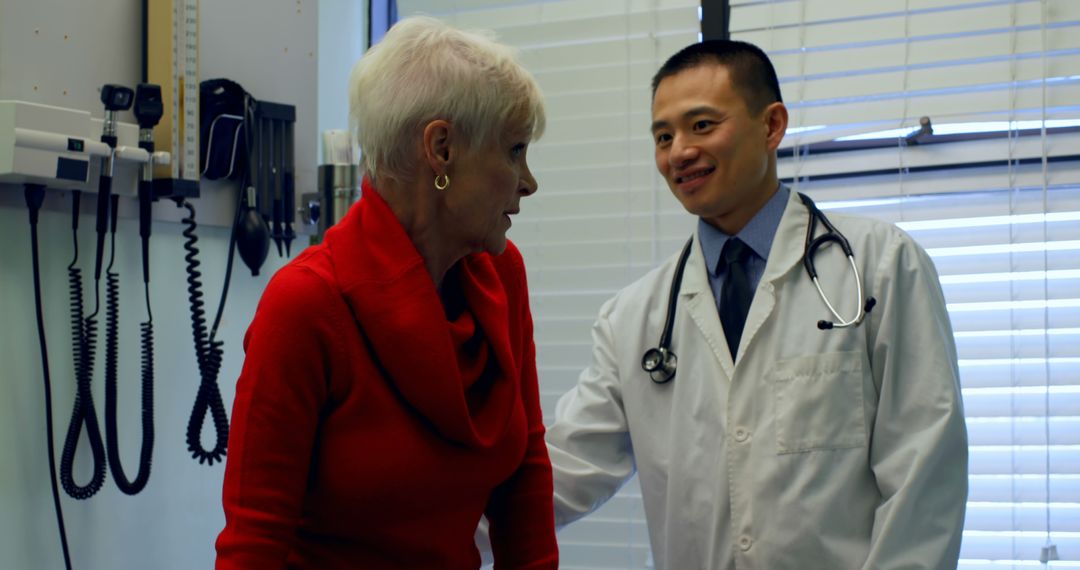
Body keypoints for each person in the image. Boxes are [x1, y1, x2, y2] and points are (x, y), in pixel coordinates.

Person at [545, 39, 969, 569]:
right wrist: (424, 531)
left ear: (771, 127)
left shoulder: (881, 265)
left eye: (702, 125)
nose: (679, 152)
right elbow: (562, 472)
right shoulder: (635, 318)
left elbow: (923, 475)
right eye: (663, 135)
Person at [215, 16, 558, 569]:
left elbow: (524, 479)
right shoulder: (306, 303)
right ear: (441, 149)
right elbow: (254, 540)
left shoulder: (501, 274)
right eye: (515, 150)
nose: (528, 181)